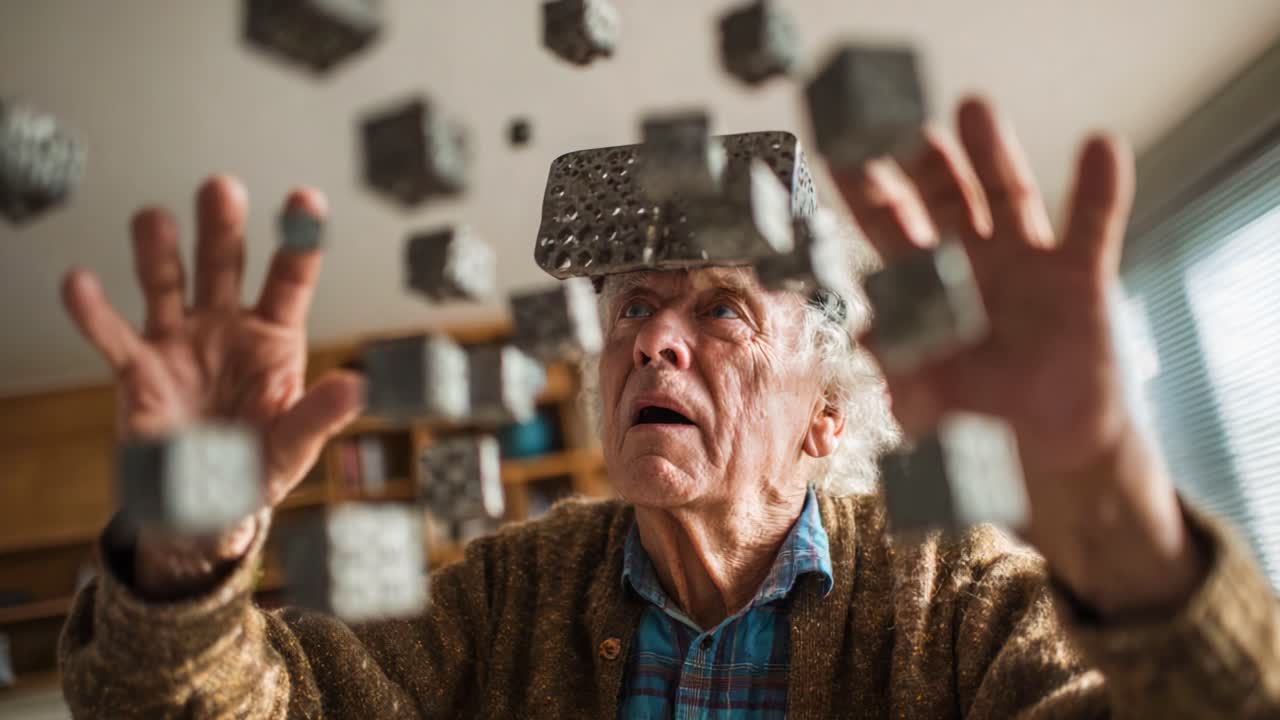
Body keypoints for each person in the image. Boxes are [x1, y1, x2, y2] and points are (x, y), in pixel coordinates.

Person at [57, 98, 1279, 718]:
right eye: (633, 306)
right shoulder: (505, 597)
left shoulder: (952, 598)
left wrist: (1116, 518)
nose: (651, 338)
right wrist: (184, 555)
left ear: (825, 415)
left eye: (721, 311)